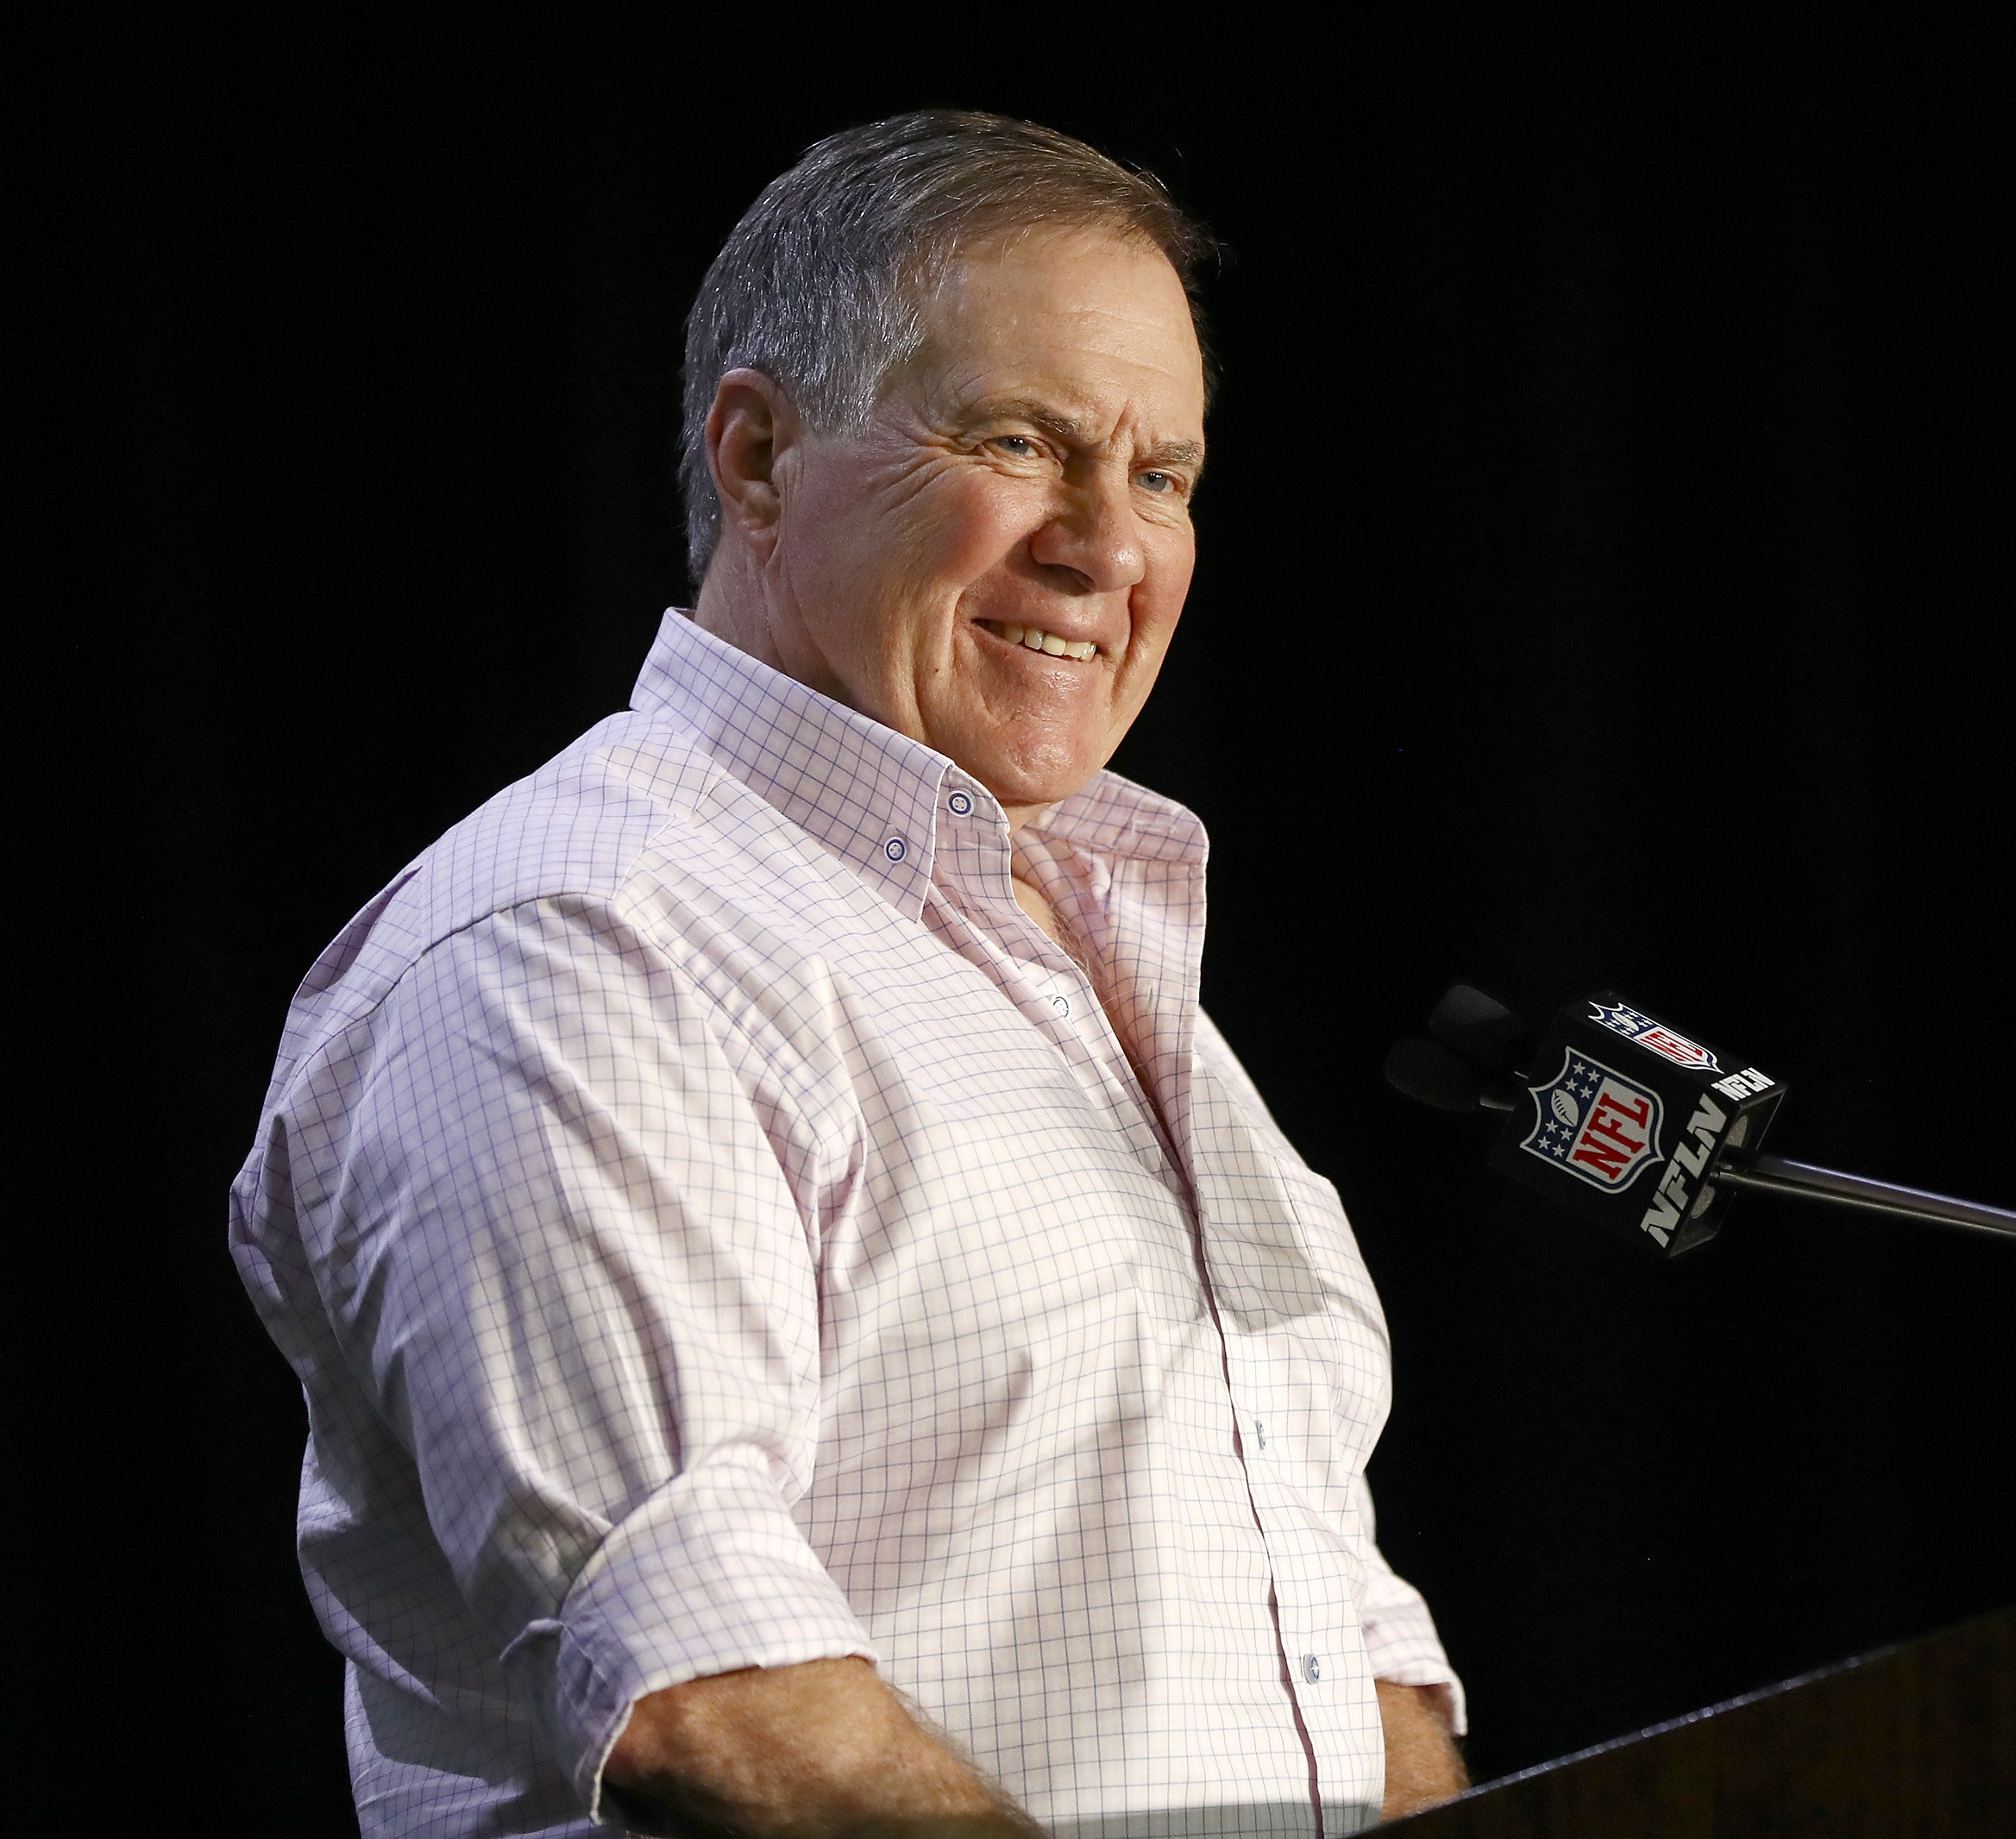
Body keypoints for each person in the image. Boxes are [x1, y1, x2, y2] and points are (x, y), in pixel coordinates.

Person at [229, 111, 1468, 1838]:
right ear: (755, 457)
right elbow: (713, 1697)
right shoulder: (578, 943)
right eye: (1022, 442)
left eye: (1163, 475)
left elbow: (1343, 1624)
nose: (1110, 547)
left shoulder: (1098, 964)